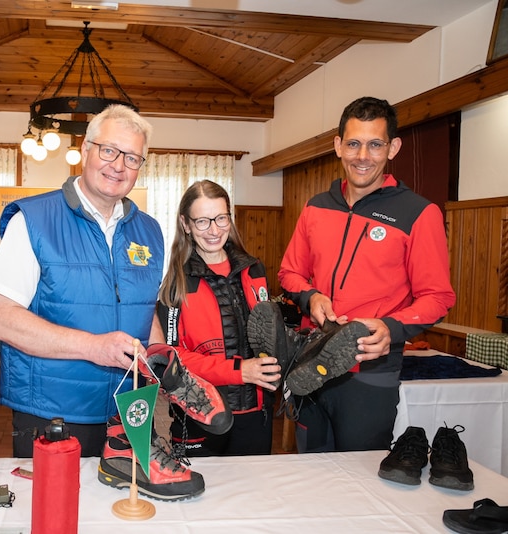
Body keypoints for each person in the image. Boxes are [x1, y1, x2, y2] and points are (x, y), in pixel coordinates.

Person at [0, 104, 206, 501]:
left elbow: (145, 314)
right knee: (56, 516)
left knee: (120, 514)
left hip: (128, 412)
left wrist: (164, 367)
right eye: (109, 151)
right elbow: (1, 321)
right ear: (85, 149)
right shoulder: (33, 220)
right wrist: (93, 346)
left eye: (133, 157)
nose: (119, 165)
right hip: (53, 414)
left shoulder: (150, 231)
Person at [277, 96, 456, 452]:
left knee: (361, 483)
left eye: (375, 145)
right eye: (354, 144)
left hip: (371, 374)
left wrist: (391, 327)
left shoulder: (419, 213)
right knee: (308, 476)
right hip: (311, 363)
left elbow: (438, 296)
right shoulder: (316, 207)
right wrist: (310, 296)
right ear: (338, 146)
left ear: (393, 148)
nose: (363, 156)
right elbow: (289, 272)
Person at [154, 180, 279, 456]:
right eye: (202, 221)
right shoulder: (176, 284)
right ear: (186, 224)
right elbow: (174, 357)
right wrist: (239, 371)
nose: (214, 230)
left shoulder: (254, 269)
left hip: (257, 414)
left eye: (221, 218)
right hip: (202, 417)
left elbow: (267, 338)